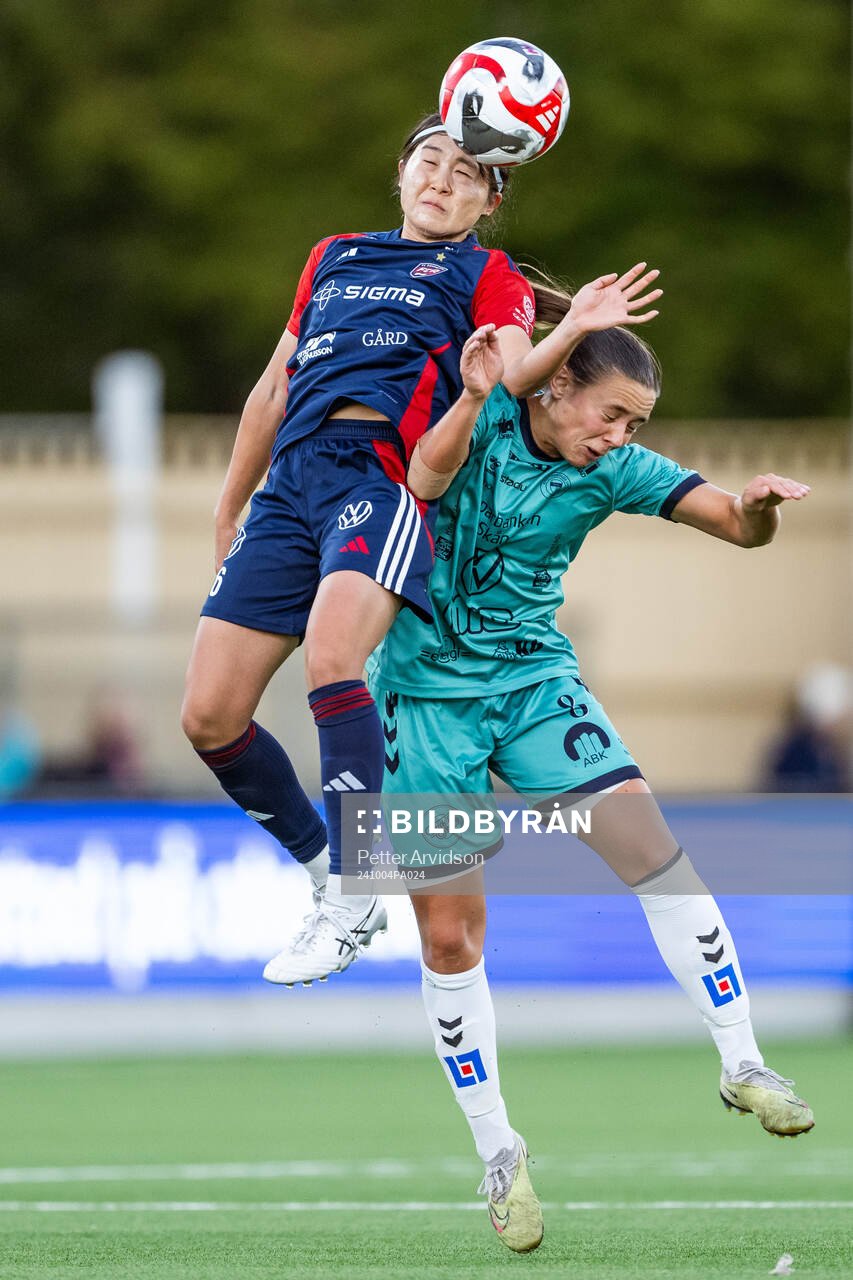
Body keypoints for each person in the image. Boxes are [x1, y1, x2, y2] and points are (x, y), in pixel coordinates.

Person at [366, 289, 814, 1253]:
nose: (619, 437)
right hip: (419, 698)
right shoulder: (479, 410)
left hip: (535, 686)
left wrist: (755, 509)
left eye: (635, 424)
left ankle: (743, 1063)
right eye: (609, 414)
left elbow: (732, 526)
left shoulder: (611, 470)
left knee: (657, 853)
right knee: (449, 943)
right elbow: (421, 479)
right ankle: (498, 1153)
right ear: (554, 385)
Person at [181, 110, 662, 987]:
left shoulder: (486, 273)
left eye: (467, 173)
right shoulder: (332, 256)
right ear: (399, 172)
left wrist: (570, 326)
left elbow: (516, 372)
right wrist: (230, 504)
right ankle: (331, 872)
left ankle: (357, 888)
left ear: (489, 200)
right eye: (428, 163)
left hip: (382, 484)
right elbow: (271, 389)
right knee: (208, 716)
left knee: (333, 660)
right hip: (292, 488)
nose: (443, 180)